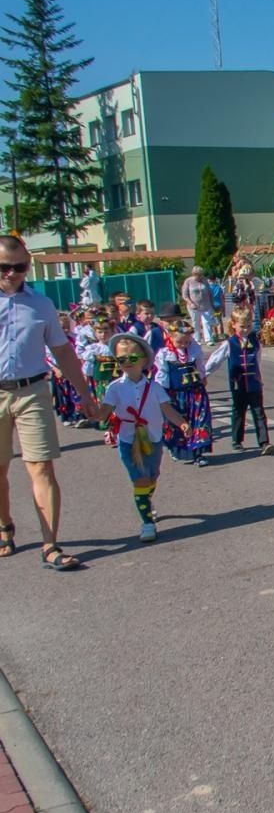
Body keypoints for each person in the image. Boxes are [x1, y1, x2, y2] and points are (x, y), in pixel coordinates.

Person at [0, 234, 108, 570]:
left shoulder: (42, 305)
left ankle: (50, 545)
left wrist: (85, 395)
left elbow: (62, 351)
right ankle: (4, 526)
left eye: (18, 267)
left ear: (28, 266)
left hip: (33, 391)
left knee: (41, 466)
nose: (11, 274)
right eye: (4, 267)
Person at [101, 332, 188, 543]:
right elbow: (103, 412)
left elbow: (167, 410)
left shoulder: (155, 387)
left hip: (153, 438)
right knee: (139, 479)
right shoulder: (115, 388)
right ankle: (147, 523)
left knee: (152, 476)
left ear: (143, 360)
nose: (126, 363)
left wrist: (183, 423)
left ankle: (146, 501)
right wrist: (93, 413)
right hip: (128, 440)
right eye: (121, 360)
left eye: (131, 358)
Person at [204, 305, 273, 453]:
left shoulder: (255, 341)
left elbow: (258, 361)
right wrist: (203, 375)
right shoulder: (229, 343)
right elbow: (215, 360)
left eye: (248, 326)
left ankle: (264, 442)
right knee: (238, 412)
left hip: (254, 384)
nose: (246, 329)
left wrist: (259, 378)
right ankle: (237, 440)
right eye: (242, 326)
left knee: (259, 412)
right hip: (238, 384)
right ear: (233, 324)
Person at [154, 303, 213, 466]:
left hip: (196, 392)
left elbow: (200, 365)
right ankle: (178, 449)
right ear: (172, 338)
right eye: (180, 342)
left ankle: (199, 452)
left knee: (199, 421)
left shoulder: (194, 349)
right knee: (178, 422)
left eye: (187, 341)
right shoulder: (165, 354)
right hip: (176, 393)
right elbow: (162, 374)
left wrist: (203, 377)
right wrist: (162, 392)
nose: (184, 345)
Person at [182, 266, 217, 345]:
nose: (200, 276)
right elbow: (185, 295)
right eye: (198, 275)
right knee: (195, 323)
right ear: (194, 274)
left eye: (201, 275)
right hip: (194, 307)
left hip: (206, 305)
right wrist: (191, 303)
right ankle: (197, 339)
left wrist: (212, 304)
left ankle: (208, 339)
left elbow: (210, 293)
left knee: (207, 322)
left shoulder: (205, 280)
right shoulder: (188, 281)